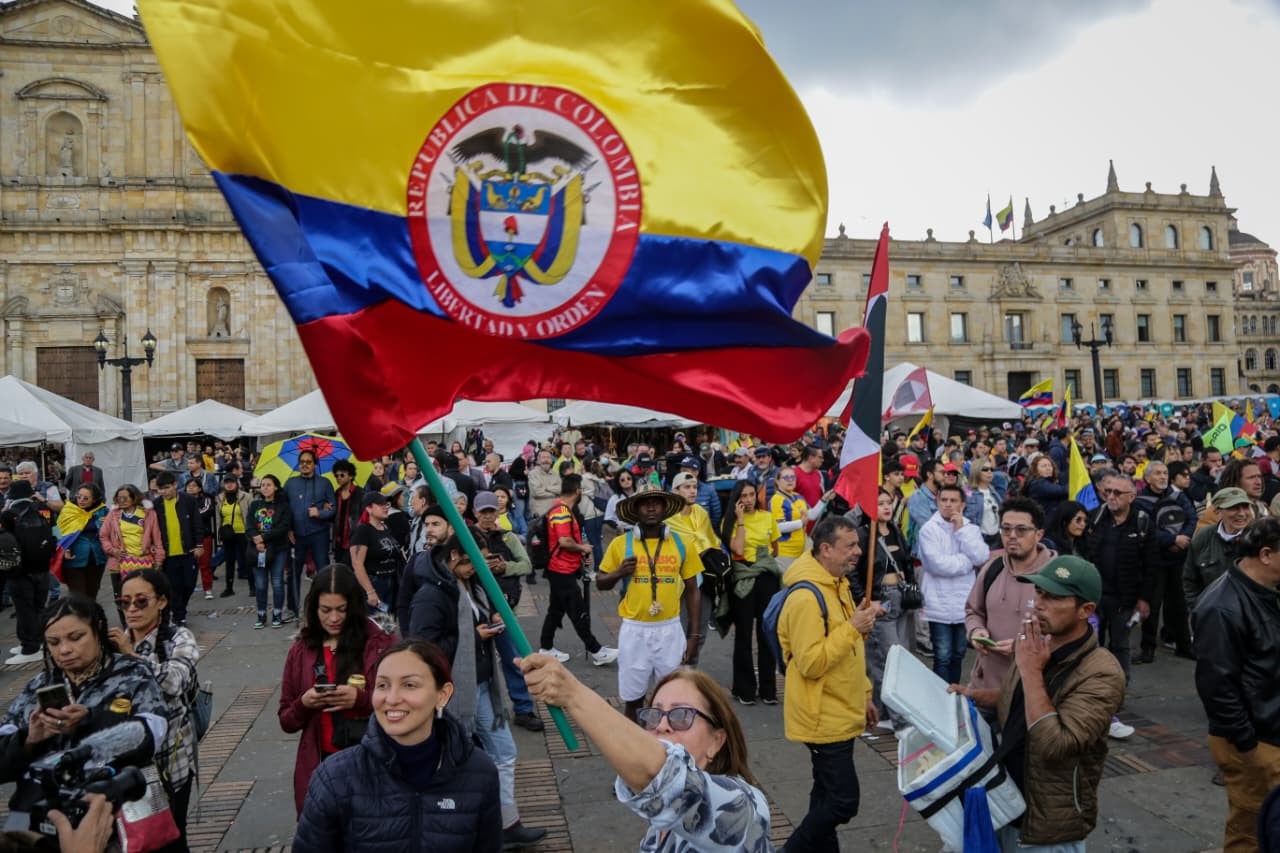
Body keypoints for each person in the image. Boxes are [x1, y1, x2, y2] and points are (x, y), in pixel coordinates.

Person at [950, 556, 1126, 852]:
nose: (1039, 603)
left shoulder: (1102, 672)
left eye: (1054, 597)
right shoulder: (1034, 642)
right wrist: (972, 695)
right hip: (1006, 803)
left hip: (1047, 828)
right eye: (1039, 592)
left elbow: (1054, 745)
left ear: (1086, 610)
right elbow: (1015, 702)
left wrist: (1031, 670)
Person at [521, 656, 773, 851]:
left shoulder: (746, 806)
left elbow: (662, 776)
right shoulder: (662, 820)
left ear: (716, 741)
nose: (662, 724)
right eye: (654, 714)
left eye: (681, 715)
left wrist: (573, 694)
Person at [406, 531, 547, 849]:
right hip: (455, 693)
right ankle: (469, 828)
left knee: (502, 752)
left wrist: (490, 620)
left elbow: (477, 618)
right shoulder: (432, 595)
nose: (478, 570)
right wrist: (472, 636)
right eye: (473, 563)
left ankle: (506, 823)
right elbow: (423, 647)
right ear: (455, 556)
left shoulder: (471, 585)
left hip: (482, 684)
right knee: (458, 761)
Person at [292, 639, 502, 851]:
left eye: (409, 685)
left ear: (443, 695)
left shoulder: (479, 773)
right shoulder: (334, 778)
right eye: (382, 685)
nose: (391, 699)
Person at [0, 595, 169, 836]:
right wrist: (29, 740)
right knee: (10, 841)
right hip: (33, 809)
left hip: (109, 810)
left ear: (97, 630)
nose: (65, 650)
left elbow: (153, 733)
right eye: (53, 642)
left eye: (76, 637)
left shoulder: (132, 672)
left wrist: (90, 719)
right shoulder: (40, 685)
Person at [777, 516, 881, 851]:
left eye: (857, 544)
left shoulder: (837, 584)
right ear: (825, 549)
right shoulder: (806, 598)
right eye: (849, 546)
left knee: (824, 797)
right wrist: (853, 626)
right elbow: (811, 663)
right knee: (841, 802)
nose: (858, 552)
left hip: (841, 709)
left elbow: (851, 652)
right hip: (822, 716)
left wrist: (864, 695)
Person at [1192, 517, 1280, 852]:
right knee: (1250, 830)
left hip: (1268, 730)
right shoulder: (1221, 606)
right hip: (1255, 741)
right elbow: (1217, 687)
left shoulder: (1265, 591)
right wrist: (1247, 746)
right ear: (1267, 555)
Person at [279, 565, 395, 815]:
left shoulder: (380, 644)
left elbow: (401, 704)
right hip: (321, 765)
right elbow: (286, 719)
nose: (333, 618)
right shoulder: (301, 650)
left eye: (341, 610)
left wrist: (362, 699)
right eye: (325, 610)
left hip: (371, 763)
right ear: (314, 608)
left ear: (353, 607)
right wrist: (304, 703)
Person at [105, 570, 200, 841]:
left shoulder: (178, 638)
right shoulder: (112, 645)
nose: (131, 609)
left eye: (141, 601)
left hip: (171, 764)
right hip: (125, 766)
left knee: (171, 838)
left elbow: (174, 683)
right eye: (125, 602)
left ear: (161, 602)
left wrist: (131, 656)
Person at [597, 488, 703, 721]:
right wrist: (619, 572)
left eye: (657, 503)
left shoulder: (682, 543)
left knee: (674, 698)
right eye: (645, 504)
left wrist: (694, 636)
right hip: (634, 630)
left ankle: (671, 748)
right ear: (635, 510)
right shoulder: (621, 544)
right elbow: (600, 582)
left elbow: (693, 591)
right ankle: (636, 750)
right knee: (633, 699)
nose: (652, 507)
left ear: (666, 509)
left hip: (670, 629)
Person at [965, 497, 1057, 694]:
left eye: (1021, 530)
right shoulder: (992, 568)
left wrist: (1020, 646)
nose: (1012, 536)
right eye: (1006, 529)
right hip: (985, 686)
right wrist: (976, 631)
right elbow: (973, 611)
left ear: (1039, 534)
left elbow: (1065, 633)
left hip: (1033, 693)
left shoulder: (1055, 577)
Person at [472, 491, 543, 733]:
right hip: (475, 611)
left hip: (503, 610)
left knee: (513, 660)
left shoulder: (508, 538)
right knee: (472, 663)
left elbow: (526, 564)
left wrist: (504, 567)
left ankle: (523, 709)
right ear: (474, 513)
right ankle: (475, 712)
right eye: (484, 511)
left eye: (492, 511)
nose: (488, 516)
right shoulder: (466, 538)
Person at [537, 475, 617, 665]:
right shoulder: (562, 511)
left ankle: (546, 647)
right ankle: (596, 650)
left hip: (561, 569)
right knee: (577, 610)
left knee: (555, 611)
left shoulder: (562, 509)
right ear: (577, 490)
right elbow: (564, 541)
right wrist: (583, 548)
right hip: (561, 569)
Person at [1083, 473, 1155, 681]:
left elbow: (1151, 565)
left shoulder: (1142, 522)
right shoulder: (1095, 518)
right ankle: (1091, 687)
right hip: (1094, 597)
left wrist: (1144, 599)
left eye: (1117, 492)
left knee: (1120, 646)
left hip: (1125, 599)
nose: (1111, 496)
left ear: (1131, 497)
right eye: (1108, 492)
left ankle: (1119, 689)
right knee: (1092, 645)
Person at [917, 482, 990, 684]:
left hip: (963, 602)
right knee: (942, 655)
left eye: (953, 500)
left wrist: (961, 531)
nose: (948, 505)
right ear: (937, 502)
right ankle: (940, 696)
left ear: (962, 504)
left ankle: (955, 691)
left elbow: (981, 556)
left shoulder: (970, 528)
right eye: (944, 500)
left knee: (958, 654)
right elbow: (936, 564)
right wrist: (966, 564)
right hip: (938, 602)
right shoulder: (928, 530)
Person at [854, 488, 914, 730]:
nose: (886, 507)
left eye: (888, 502)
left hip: (900, 597)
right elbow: (853, 573)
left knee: (896, 657)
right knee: (889, 659)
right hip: (880, 600)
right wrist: (866, 601)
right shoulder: (863, 535)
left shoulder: (896, 531)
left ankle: (880, 713)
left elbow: (906, 563)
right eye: (880, 503)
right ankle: (900, 721)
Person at [720, 480, 781, 705]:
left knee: (767, 632)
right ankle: (744, 689)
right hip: (742, 578)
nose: (748, 499)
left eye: (751, 494)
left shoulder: (767, 517)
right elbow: (737, 549)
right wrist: (741, 521)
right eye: (743, 496)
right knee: (744, 634)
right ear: (736, 499)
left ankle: (768, 690)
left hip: (766, 577)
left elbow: (775, 549)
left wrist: (761, 563)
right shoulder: (730, 522)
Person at [1134, 460, 1197, 663]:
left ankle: (1184, 646)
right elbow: (1146, 528)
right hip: (1156, 560)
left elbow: (1192, 518)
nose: (1162, 476)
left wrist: (1183, 540)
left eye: (1165, 473)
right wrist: (1172, 539)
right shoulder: (1140, 501)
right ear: (1147, 478)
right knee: (1152, 605)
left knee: (1180, 604)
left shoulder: (1179, 496)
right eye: (1158, 473)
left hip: (1179, 558)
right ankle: (1148, 648)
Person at [0, 482, 57, 665]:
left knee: (24, 609)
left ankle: (30, 647)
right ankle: (39, 641)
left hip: (20, 571)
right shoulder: (43, 510)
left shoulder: (8, 515)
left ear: (12, 496)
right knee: (39, 607)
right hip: (43, 568)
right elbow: (54, 534)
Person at [1184, 486, 1255, 610]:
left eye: (1245, 507)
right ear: (1217, 511)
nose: (1242, 513)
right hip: (1212, 615)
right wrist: (1196, 609)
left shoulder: (1260, 537)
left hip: (1251, 616)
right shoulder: (1203, 537)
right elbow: (1190, 580)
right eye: (1234, 508)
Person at [284, 450, 336, 620]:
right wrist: (288, 529)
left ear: (315, 464)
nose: (305, 464)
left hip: (318, 534)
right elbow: (283, 509)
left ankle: (326, 607)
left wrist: (320, 513)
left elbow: (333, 508)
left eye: (308, 461)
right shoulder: (290, 484)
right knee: (293, 572)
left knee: (324, 571)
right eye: (302, 462)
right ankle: (293, 608)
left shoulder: (325, 483)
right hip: (296, 535)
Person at [152, 471, 204, 627]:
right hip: (168, 554)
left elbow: (197, 523)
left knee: (189, 584)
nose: (164, 492)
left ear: (175, 485)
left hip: (188, 551)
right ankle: (179, 616)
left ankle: (180, 610)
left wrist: (199, 544)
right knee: (174, 587)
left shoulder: (188, 500)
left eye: (167, 488)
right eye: (160, 489)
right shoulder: (156, 504)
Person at [247, 474, 293, 628]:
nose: (265, 488)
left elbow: (283, 527)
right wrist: (255, 538)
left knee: (277, 582)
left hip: (278, 549)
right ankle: (261, 615)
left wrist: (263, 538)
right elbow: (249, 525)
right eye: (263, 485)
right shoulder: (255, 505)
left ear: (276, 487)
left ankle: (277, 614)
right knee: (260, 584)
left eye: (268, 485)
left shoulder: (283, 506)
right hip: (257, 549)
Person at [350, 492, 406, 614]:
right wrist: (370, 592)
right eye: (381, 504)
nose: (386, 507)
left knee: (387, 626)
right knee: (375, 626)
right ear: (369, 508)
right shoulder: (363, 530)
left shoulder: (385, 528)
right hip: (374, 583)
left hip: (391, 583)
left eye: (387, 504)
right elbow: (357, 564)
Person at [56, 483, 108, 601]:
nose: (81, 500)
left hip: (96, 558)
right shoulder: (69, 510)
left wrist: (107, 524)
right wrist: (66, 548)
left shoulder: (102, 510)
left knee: (91, 595)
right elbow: (60, 532)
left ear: (94, 499)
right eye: (79, 496)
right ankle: (79, 618)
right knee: (77, 597)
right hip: (74, 559)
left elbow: (113, 530)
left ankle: (91, 619)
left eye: (86, 498)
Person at [213, 473, 251, 598]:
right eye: (227, 482)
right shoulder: (219, 498)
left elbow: (251, 515)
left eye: (232, 482)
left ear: (237, 483)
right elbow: (219, 517)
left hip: (243, 533)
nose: (229, 485)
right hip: (228, 534)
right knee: (229, 562)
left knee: (247, 560)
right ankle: (229, 588)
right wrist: (219, 533)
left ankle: (253, 587)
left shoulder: (246, 497)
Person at [965, 458, 1009, 550]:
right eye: (985, 469)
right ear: (976, 471)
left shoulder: (994, 492)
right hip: (979, 539)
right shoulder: (967, 491)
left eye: (991, 469)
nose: (989, 472)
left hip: (997, 538)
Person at [184, 477, 217, 600]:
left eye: (193, 485)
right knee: (188, 565)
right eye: (188, 486)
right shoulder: (181, 500)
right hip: (187, 538)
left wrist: (189, 516)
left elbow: (206, 511)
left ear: (199, 488)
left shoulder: (206, 499)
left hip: (204, 536)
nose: (190, 488)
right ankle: (188, 588)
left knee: (205, 564)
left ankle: (207, 588)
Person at [330, 459, 364, 567]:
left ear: (350, 476)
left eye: (342, 475)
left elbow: (363, 516)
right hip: (339, 541)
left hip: (354, 540)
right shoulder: (336, 494)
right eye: (336, 475)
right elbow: (333, 517)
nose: (338, 478)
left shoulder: (360, 493)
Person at [1023, 455, 1068, 525]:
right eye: (1043, 466)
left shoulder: (1048, 482)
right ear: (1035, 469)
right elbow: (1062, 491)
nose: (1048, 468)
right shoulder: (1038, 483)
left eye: (1050, 465)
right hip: (1044, 526)